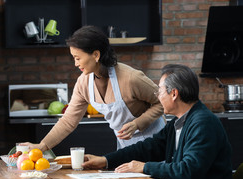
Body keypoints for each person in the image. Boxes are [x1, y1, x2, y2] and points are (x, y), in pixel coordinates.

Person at [82, 64, 233, 179]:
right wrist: (105, 160)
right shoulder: (179, 121)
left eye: (160, 91)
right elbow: (148, 148)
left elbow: (189, 171)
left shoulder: (203, 123)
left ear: (174, 94)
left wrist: (145, 167)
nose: (158, 96)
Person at [21, 25, 165, 152]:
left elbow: (163, 102)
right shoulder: (83, 83)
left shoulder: (131, 78)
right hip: (126, 145)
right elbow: (68, 121)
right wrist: (43, 145)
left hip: (154, 141)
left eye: (78, 58)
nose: (75, 64)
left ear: (96, 55)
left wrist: (137, 124)